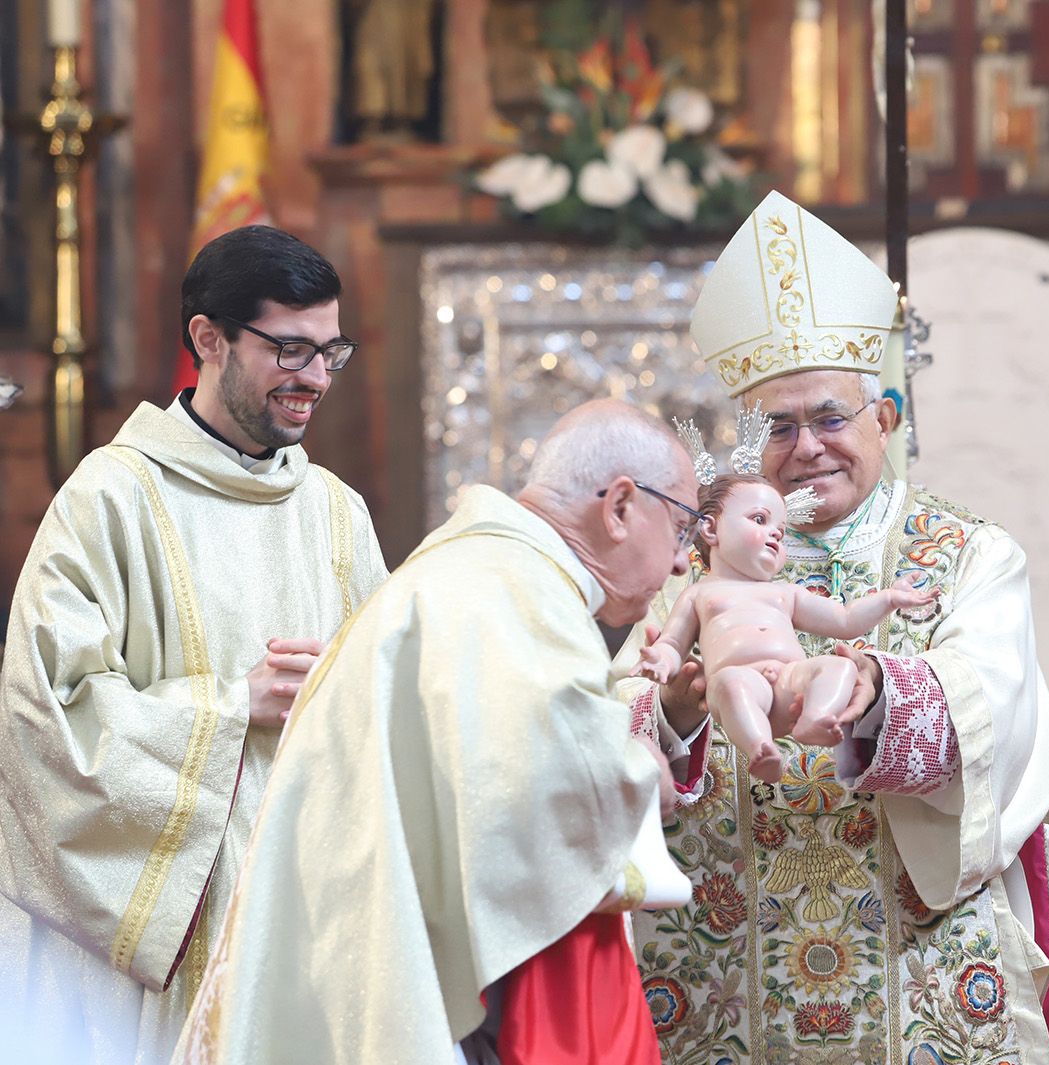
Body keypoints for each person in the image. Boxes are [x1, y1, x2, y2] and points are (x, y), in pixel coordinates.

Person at [618, 191, 1049, 1064]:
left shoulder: (969, 555)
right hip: (725, 973)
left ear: (887, 419)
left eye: (831, 417)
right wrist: (675, 715)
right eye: (779, 427)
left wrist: (870, 694)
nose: (808, 446)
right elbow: (607, 730)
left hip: (923, 966)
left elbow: (993, 716)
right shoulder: (680, 571)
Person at [171, 399, 699, 1065]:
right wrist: (644, 768)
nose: (682, 563)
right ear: (621, 506)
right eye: (682, 528)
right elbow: (559, 784)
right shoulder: (518, 592)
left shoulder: (474, 571)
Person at [0, 224, 388, 1064]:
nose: (316, 378)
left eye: (331, 351)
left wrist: (353, 687)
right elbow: (45, 716)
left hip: (303, 913)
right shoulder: (110, 498)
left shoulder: (334, 510)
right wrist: (229, 704)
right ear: (208, 339)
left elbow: (393, 698)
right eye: (290, 350)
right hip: (164, 946)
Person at [633, 470, 936, 782]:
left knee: (839, 668)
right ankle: (760, 748)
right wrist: (661, 660)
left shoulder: (785, 593)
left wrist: (888, 598)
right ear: (710, 529)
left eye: (781, 529)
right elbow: (672, 642)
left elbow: (845, 621)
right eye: (760, 519)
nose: (776, 534)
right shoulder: (699, 592)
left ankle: (816, 717)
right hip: (745, 683)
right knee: (728, 685)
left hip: (791, 683)